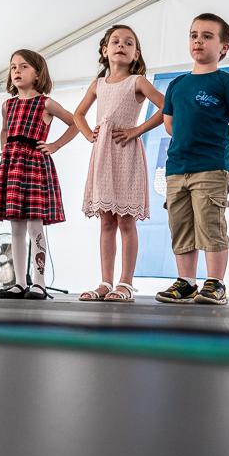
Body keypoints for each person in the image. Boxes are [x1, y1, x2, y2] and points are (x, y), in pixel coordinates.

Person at [154, 14, 229, 306]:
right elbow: (169, 124)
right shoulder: (177, 84)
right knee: (181, 225)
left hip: (211, 166)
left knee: (211, 223)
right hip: (177, 168)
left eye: (207, 36)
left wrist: (218, 141)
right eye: (194, 35)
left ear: (223, 47)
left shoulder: (226, 83)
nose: (198, 41)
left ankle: (215, 282)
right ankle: (186, 282)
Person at [73, 25, 165, 302]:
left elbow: (166, 106)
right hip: (103, 155)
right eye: (115, 41)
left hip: (126, 153)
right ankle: (105, 282)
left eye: (128, 43)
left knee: (126, 220)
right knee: (106, 220)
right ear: (105, 50)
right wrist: (89, 134)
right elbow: (78, 114)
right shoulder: (98, 84)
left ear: (136, 53)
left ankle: (125, 282)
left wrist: (137, 130)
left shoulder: (138, 81)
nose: (121, 46)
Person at [0, 49, 79, 299]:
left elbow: (75, 123)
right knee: (15, 226)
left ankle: (39, 282)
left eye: (24, 66)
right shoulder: (8, 105)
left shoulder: (46, 103)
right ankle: (19, 282)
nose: (17, 71)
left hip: (34, 165)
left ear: (38, 74)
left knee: (34, 225)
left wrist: (55, 145)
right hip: (12, 165)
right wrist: (5, 148)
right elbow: (4, 130)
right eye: (13, 67)